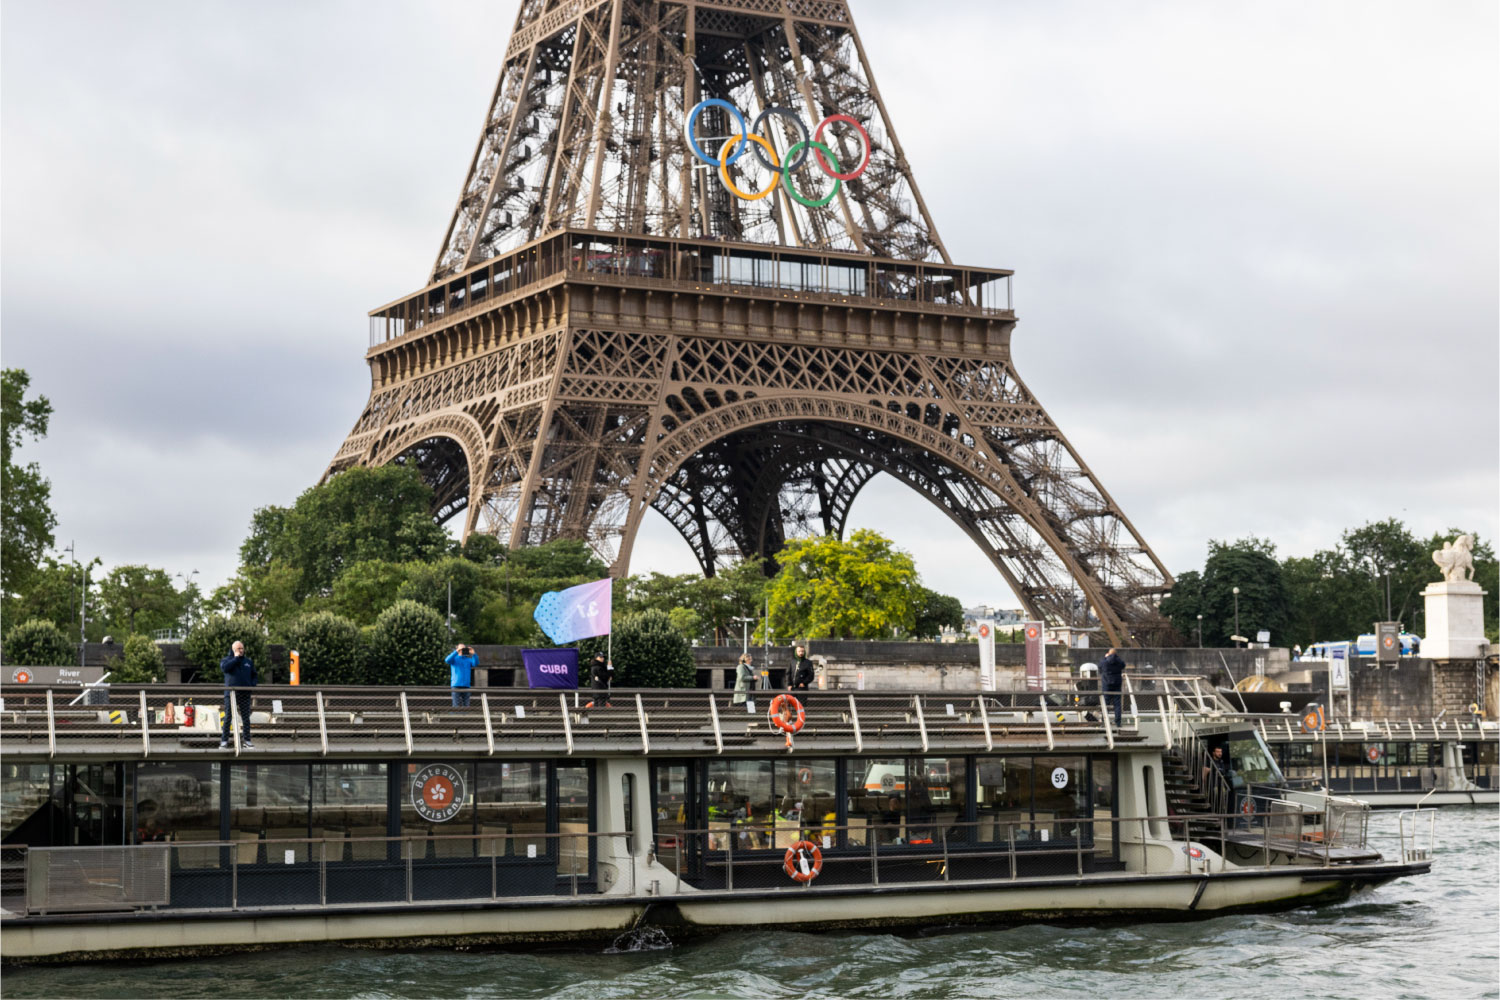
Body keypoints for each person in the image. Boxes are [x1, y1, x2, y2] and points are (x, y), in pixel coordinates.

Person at [219, 640, 256, 749]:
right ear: (233, 649)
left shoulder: (248, 662)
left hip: (245, 694)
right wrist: (235, 659)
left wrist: (251, 685)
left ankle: (247, 741)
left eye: (242, 648)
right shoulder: (226, 660)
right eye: (238, 648)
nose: (240, 650)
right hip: (231, 694)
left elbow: (254, 675)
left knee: (246, 718)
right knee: (228, 717)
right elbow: (225, 668)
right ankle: (224, 741)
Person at [1098, 647, 1126, 726]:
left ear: (1109, 653)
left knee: (1105, 703)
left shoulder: (1104, 662)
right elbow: (1123, 665)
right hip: (1117, 684)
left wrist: (1105, 657)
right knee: (1117, 703)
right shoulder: (1119, 661)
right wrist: (1117, 657)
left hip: (1106, 684)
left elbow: (1100, 666)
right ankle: (1118, 722)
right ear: (1116, 654)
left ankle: (1104, 721)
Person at [446, 643, 477, 707]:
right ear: (458, 649)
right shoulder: (454, 659)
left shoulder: (468, 660)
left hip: (466, 685)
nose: (462, 650)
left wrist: (474, 654)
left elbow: (475, 664)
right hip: (456, 685)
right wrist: (456, 651)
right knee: (456, 705)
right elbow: (447, 660)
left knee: (466, 705)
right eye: (461, 648)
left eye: (464, 648)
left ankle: (465, 714)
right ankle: (455, 714)